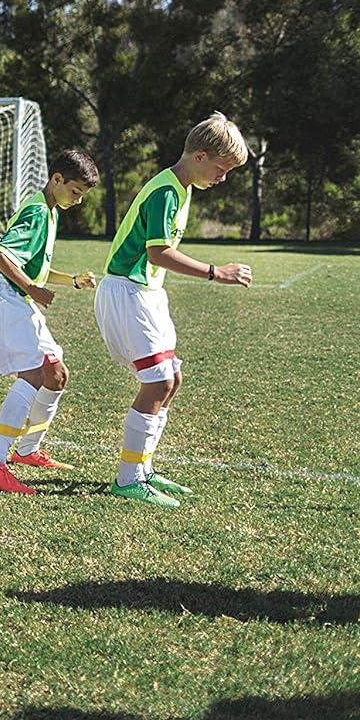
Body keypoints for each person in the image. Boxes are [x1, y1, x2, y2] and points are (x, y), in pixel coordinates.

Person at [95, 112, 253, 508]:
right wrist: (216, 273)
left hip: (145, 293)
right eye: (221, 169)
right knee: (159, 383)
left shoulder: (182, 189)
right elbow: (158, 252)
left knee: (172, 379)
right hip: (127, 291)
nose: (222, 178)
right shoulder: (167, 190)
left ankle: (143, 469)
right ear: (200, 156)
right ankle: (128, 479)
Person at [0, 149, 100, 494]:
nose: (77, 201)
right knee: (32, 372)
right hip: (3, 293)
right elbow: (0, 255)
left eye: (82, 197)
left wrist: (71, 280)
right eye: (74, 192)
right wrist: (32, 289)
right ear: (57, 179)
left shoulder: (51, 210)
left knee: (56, 374)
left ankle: (27, 451)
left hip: (17, 293)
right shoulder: (36, 211)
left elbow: (34, 268)